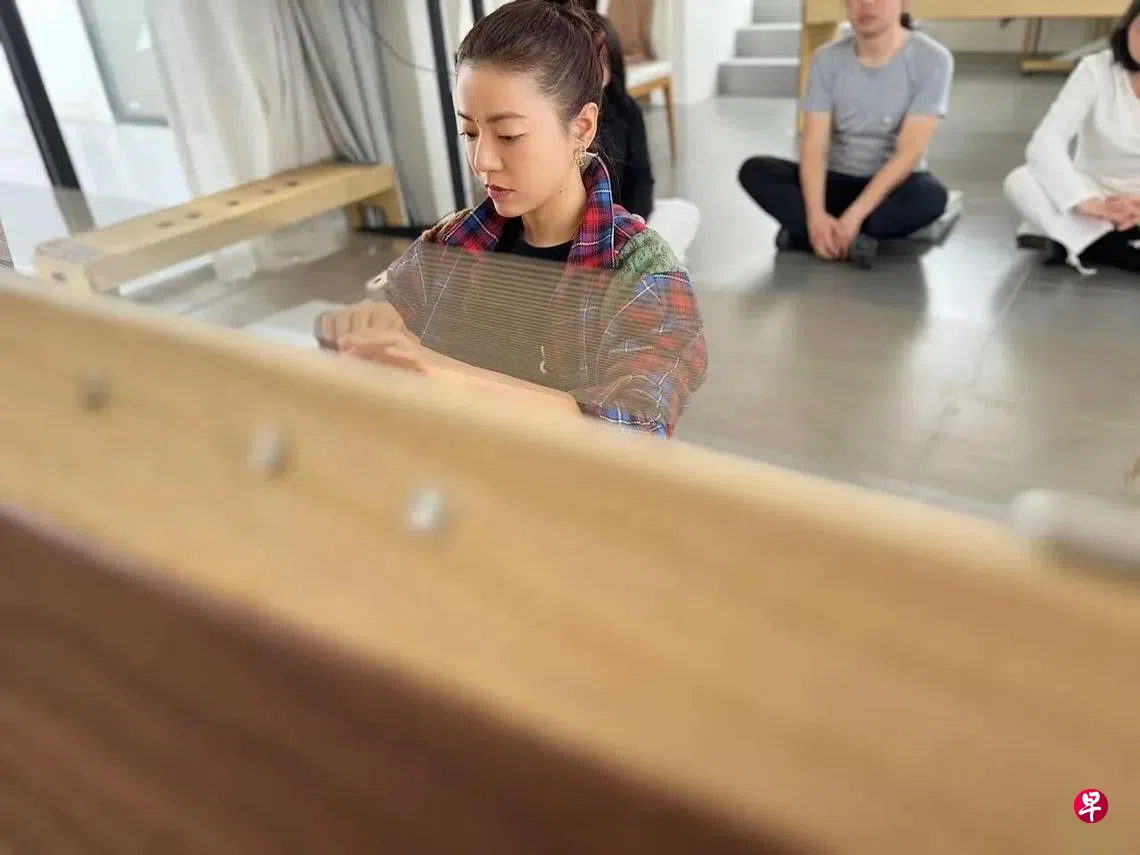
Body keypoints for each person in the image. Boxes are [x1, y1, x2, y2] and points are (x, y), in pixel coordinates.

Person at [318, 0, 706, 437]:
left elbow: (635, 429)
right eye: (469, 132)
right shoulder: (450, 243)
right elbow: (389, 323)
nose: (482, 160)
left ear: (582, 127)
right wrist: (369, 324)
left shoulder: (645, 277)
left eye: (509, 135)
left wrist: (438, 373)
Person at [737, 0, 953, 268]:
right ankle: (841, 236)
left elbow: (909, 153)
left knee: (932, 197)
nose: (867, 4)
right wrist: (816, 215)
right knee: (755, 170)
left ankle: (814, 234)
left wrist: (855, 215)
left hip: (893, 187)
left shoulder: (933, 59)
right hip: (838, 180)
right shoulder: (827, 59)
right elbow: (814, 146)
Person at [1004, 0, 1140, 274]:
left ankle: (1083, 241)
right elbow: (1045, 144)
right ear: (1126, 29)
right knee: (1020, 181)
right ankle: (1116, 247)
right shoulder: (1096, 69)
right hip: (1095, 196)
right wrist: (1085, 201)